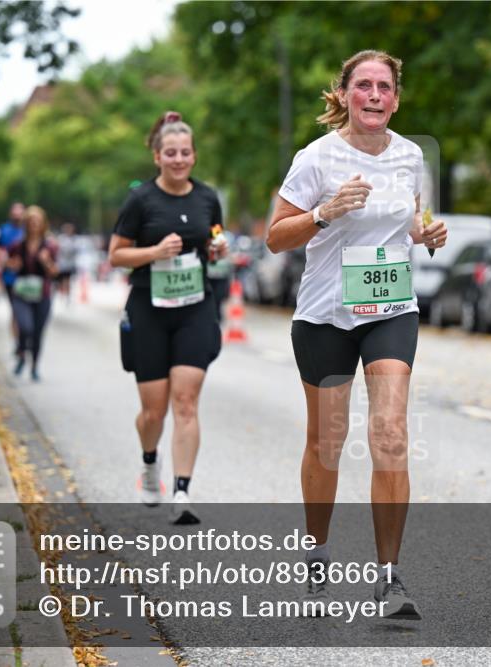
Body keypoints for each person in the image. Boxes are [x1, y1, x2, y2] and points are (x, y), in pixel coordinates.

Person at [266, 50, 448, 620]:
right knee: (327, 439)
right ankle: (317, 552)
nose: (374, 96)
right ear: (344, 94)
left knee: (391, 433)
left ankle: (389, 578)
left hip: (391, 308)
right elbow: (275, 237)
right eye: (363, 86)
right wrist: (324, 213)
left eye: (385, 87)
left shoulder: (411, 155)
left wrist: (427, 232)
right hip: (324, 315)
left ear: (396, 98)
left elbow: (407, 221)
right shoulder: (316, 158)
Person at [108, 111, 228, 524]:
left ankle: (182, 490)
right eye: (170, 153)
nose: (178, 159)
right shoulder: (140, 200)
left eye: (185, 153)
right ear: (157, 156)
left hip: (195, 307)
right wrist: (153, 253)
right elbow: (116, 255)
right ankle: (148, 462)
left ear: (194, 157)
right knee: (153, 412)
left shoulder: (208, 197)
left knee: (186, 401)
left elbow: (214, 236)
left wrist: (217, 249)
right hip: (149, 311)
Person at [6, 206, 58, 382]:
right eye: (31, 221)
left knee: (37, 331)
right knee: (25, 327)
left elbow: (54, 272)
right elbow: (8, 264)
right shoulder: (17, 246)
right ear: (26, 224)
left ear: (43, 224)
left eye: (37, 221)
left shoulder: (50, 246)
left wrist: (46, 262)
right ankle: (21, 353)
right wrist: (12, 264)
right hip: (21, 293)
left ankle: (34, 366)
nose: (34, 224)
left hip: (42, 294)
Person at [0, 202, 25, 340]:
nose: (17, 216)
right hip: (9, 277)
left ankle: (25, 336)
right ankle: (18, 342)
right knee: (16, 310)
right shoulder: (4, 230)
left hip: (27, 277)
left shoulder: (29, 229)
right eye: (15, 214)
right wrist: (5, 262)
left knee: (25, 311)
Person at [54, 223, 79, 304]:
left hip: (70, 264)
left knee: (67, 280)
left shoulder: (74, 239)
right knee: (61, 280)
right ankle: (62, 294)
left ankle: (67, 296)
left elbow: (76, 251)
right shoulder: (62, 239)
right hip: (62, 264)